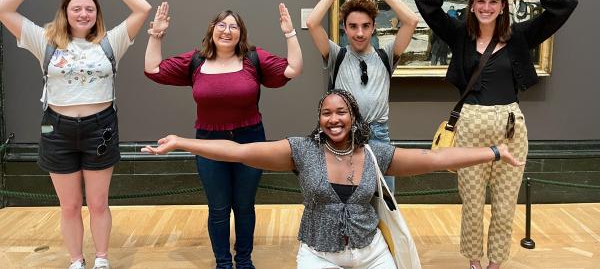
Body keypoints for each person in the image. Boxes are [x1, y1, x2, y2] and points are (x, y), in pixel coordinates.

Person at [141, 89, 524, 269]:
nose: (334, 119)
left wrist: (492, 152)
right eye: (326, 113)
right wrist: (180, 142)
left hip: (371, 252)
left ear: (354, 118)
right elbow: (238, 151)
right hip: (318, 254)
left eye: (341, 112)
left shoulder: (376, 154)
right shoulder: (299, 151)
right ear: (319, 119)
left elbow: (432, 158)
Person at [415, 0, 578, 269]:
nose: (486, 7)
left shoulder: (521, 37)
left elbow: (565, 3)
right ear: (472, 4)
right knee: (473, 204)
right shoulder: (459, 35)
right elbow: (425, 1)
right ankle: (475, 262)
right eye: (480, 1)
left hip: (510, 125)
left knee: (504, 206)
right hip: (469, 125)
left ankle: (496, 263)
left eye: (493, 2)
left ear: (503, 6)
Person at [0, 0, 152, 269]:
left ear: (97, 14)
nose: (83, 14)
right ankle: (76, 260)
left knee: (97, 203)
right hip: (57, 128)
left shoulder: (112, 41)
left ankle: (101, 259)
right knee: (69, 205)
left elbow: (143, 8)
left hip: (101, 128)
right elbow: (3, 8)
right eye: (76, 9)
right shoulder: (43, 40)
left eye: (90, 9)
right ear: (65, 13)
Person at [144, 2, 302, 269]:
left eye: (234, 26)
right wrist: (156, 34)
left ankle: (244, 261)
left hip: (250, 139)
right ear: (212, 29)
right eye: (222, 25)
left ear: (241, 33)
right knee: (218, 208)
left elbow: (292, 70)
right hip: (208, 143)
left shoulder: (253, 58)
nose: (227, 31)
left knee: (244, 206)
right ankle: (222, 263)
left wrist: (290, 34)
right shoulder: (196, 60)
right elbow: (153, 69)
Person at [305, 0, 418, 193]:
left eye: (366, 26)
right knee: (345, 200)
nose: (359, 33)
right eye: (353, 26)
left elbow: (411, 21)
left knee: (385, 202)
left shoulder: (386, 55)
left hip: (379, 135)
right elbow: (312, 23)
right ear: (344, 28)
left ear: (374, 28)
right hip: (343, 137)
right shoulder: (337, 55)